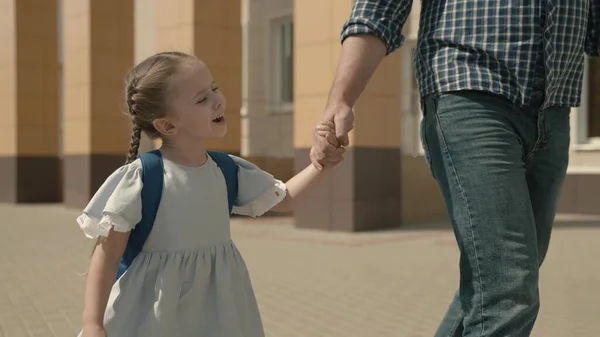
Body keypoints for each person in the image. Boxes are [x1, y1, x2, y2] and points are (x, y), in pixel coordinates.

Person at [311, 1, 600, 336]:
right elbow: (378, 9)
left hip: (555, 108)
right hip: (470, 90)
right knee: (507, 288)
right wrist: (341, 99)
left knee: (498, 282)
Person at [77, 51, 343, 337]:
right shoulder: (143, 177)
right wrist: (92, 324)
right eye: (202, 98)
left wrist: (321, 165)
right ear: (167, 125)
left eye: (213, 88)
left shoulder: (226, 169)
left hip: (220, 311)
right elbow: (107, 254)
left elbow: (284, 198)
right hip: (155, 315)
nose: (218, 100)